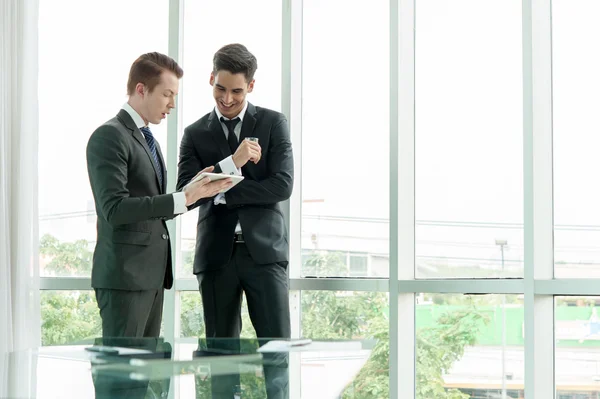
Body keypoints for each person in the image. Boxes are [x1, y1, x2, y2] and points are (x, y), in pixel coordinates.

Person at [86, 52, 231, 338]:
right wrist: (181, 198)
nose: (172, 104)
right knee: (121, 377)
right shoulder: (109, 136)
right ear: (141, 89)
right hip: (125, 278)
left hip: (150, 276)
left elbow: (153, 206)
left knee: (144, 375)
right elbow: (114, 208)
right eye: (167, 94)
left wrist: (196, 191)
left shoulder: (147, 139)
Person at [176, 44, 293, 398]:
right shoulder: (195, 133)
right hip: (216, 258)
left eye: (237, 90)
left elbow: (282, 185)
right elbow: (187, 192)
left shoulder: (274, 123)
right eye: (220, 88)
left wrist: (222, 190)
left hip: (265, 255)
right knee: (220, 357)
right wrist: (234, 163)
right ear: (211, 79)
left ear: (251, 87)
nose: (227, 98)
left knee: (276, 354)